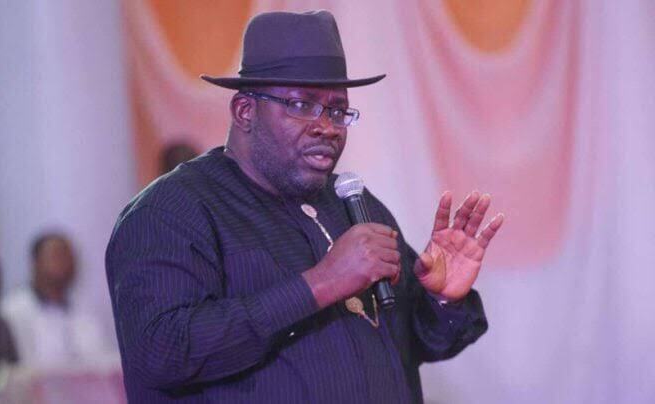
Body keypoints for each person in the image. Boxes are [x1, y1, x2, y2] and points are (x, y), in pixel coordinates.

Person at [106, 10, 504, 403]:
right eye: (301, 105)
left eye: (337, 110)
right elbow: (160, 353)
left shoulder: (356, 206)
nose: (326, 127)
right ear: (245, 111)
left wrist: (442, 299)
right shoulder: (172, 210)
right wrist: (320, 284)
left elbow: (421, 343)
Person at [1, 232, 108, 368]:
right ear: (35, 262)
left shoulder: (87, 312)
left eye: (70, 257)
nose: (67, 263)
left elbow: (102, 361)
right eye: (58, 255)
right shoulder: (11, 311)